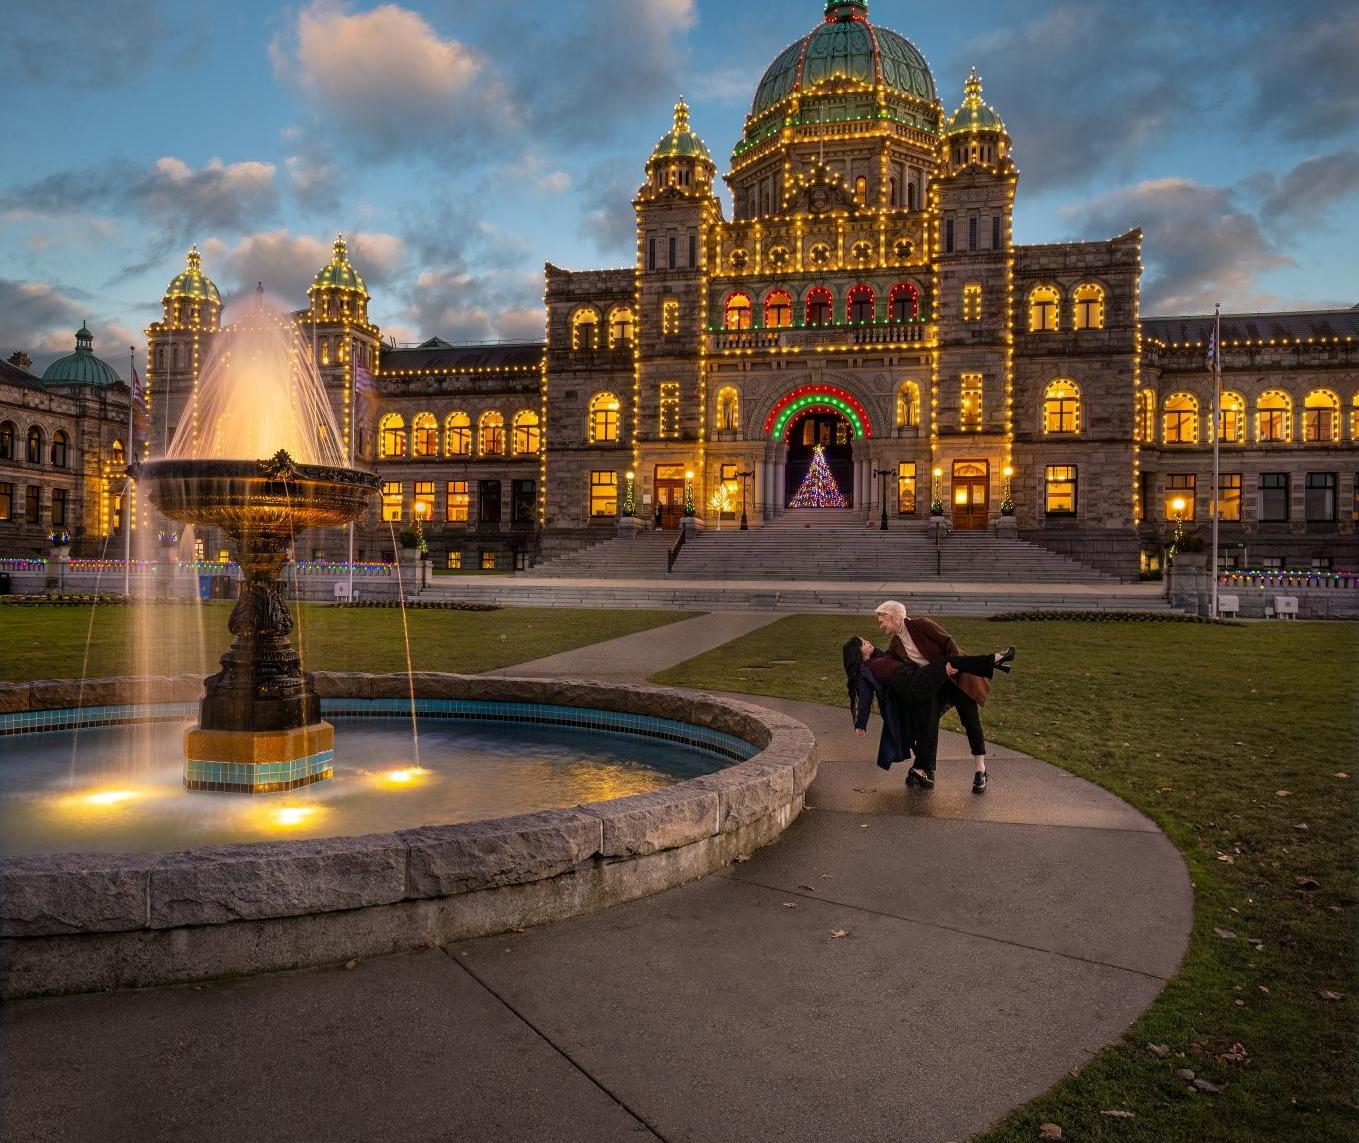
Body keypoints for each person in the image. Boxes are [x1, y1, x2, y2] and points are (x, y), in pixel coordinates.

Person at [874, 600, 996, 794]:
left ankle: (980, 770)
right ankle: (925, 770)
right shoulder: (896, 643)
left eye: (883, 620)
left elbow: (948, 643)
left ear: (894, 616)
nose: (881, 625)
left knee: (970, 721)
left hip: (957, 679)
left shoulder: (922, 625)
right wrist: (867, 657)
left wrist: (955, 666)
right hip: (935, 685)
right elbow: (887, 661)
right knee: (927, 721)